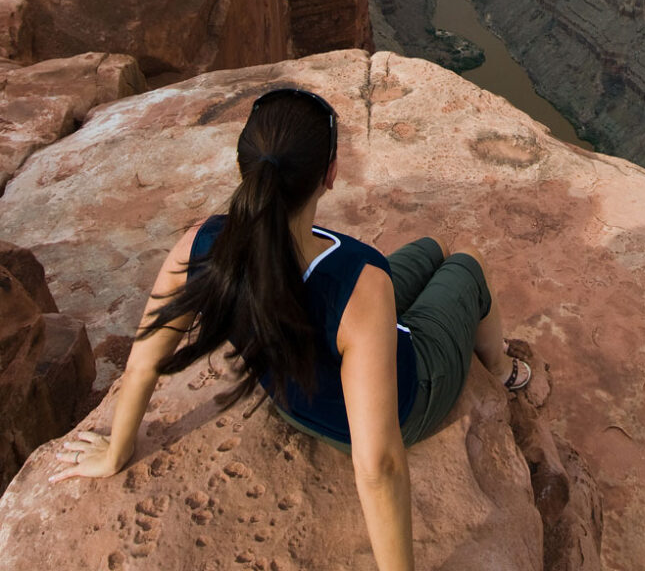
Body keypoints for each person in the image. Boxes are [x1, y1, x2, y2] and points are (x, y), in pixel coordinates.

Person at [49, 87, 530, 571]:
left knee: (432, 247)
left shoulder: (201, 245)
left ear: (246, 168)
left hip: (293, 400)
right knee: (466, 264)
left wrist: (117, 450)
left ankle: (467, 320)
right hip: (409, 395)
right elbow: (378, 466)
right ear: (331, 175)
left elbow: (144, 361)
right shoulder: (360, 280)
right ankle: (504, 368)